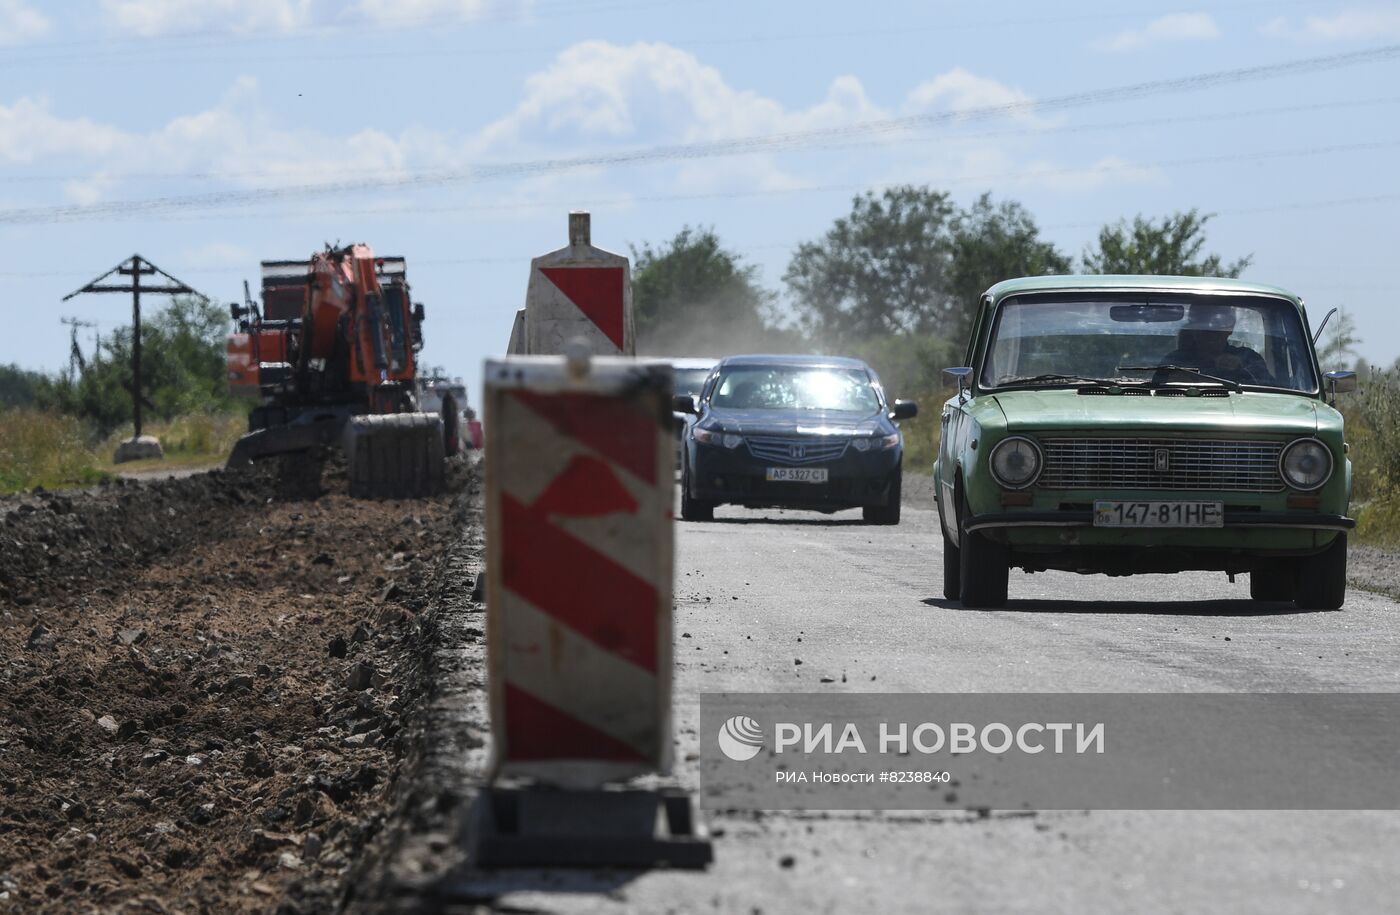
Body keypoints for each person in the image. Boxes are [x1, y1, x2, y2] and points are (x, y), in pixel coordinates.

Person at [1160, 303, 1271, 384]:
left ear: (1230, 328)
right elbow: (1155, 394)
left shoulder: (1248, 359)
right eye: (1203, 322)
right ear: (1193, 328)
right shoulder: (1174, 362)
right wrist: (1174, 380)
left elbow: (1272, 395)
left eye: (1219, 324)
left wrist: (1240, 369)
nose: (1211, 331)